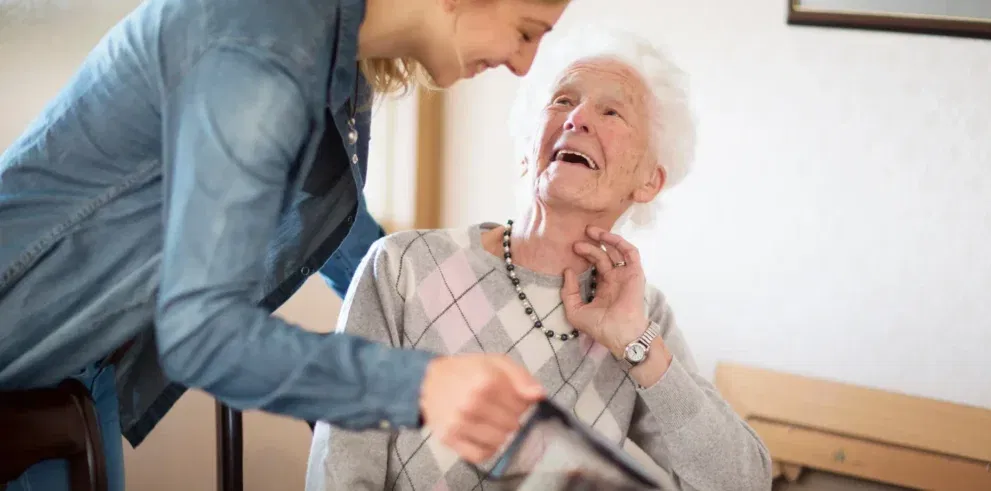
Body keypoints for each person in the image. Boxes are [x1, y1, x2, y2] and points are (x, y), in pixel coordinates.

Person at [0, 0, 571, 488]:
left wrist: (451, 317)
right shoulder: (263, 47)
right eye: (526, 30)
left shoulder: (334, 70)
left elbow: (341, 232)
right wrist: (424, 385)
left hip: (85, 370)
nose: (524, 65)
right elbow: (201, 333)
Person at [305, 27, 773, 491]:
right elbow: (340, 471)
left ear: (649, 181)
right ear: (528, 151)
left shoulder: (644, 320)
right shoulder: (402, 266)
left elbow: (743, 482)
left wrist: (638, 345)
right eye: (563, 101)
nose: (578, 119)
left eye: (612, 111)